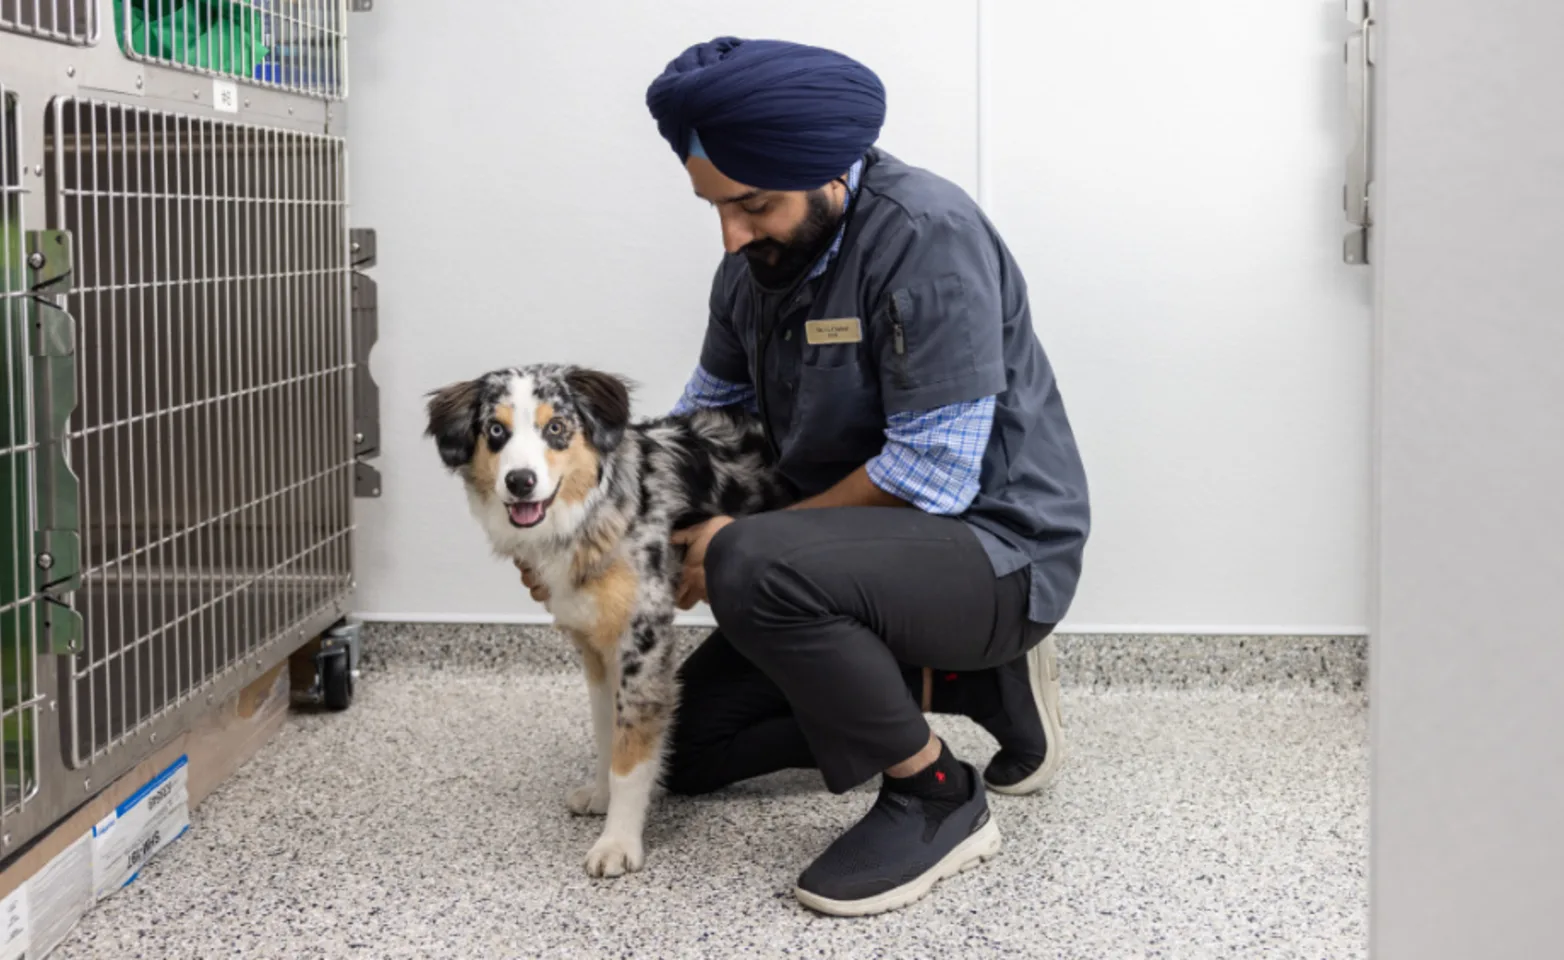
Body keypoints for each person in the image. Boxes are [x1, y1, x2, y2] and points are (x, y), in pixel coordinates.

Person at [523, 36, 1090, 916]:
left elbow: (930, 477)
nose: (731, 233)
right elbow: (699, 430)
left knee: (751, 560)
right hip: (840, 559)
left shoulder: (925, 237)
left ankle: (939, 794)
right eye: (714, 205)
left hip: (994, 554)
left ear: (830, 171)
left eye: (752, 204)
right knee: (694, 750)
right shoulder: (749, 271)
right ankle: (959, 681)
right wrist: (591, 535)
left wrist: (729, 549)